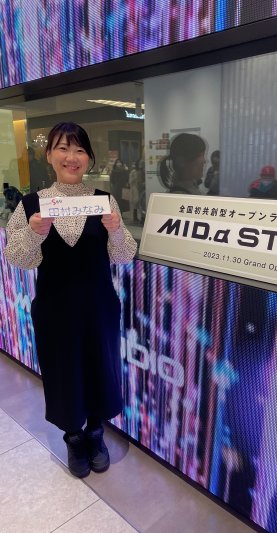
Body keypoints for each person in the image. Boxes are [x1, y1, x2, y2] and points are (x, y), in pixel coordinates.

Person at [5, 122, 137, 478]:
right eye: (63, 148)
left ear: (89, 158)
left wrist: (116, 229)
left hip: (98, 305)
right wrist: (33, 233)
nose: (71, 157)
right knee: (63, 371)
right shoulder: (31, 204)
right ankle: (74, 437)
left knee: (100, 367)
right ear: (49, 155)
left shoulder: (103, 200)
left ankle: (95, 432)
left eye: (79, 150)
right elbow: (17, 258)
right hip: (55, 307)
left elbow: (123, 255)